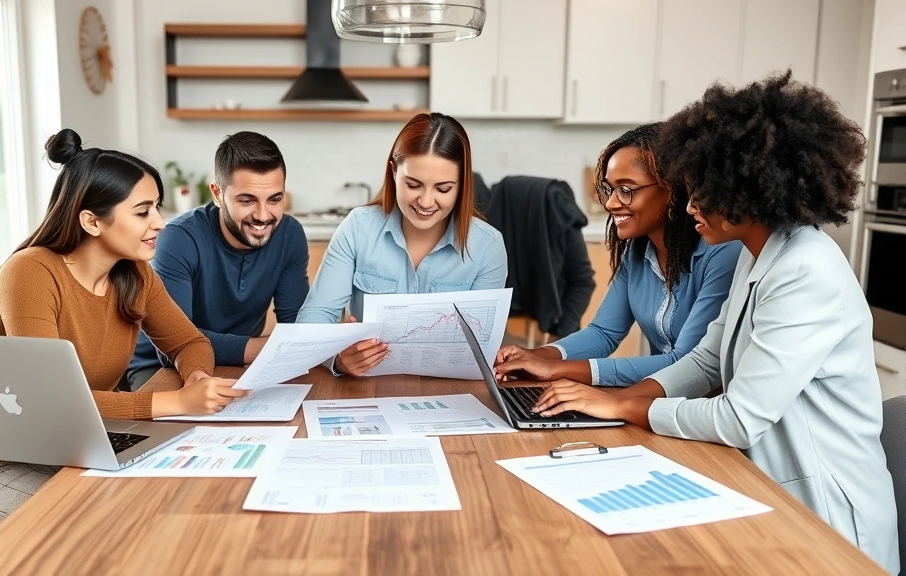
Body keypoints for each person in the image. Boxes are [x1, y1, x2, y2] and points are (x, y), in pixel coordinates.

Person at [528, 72, 899, 574]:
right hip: (770, 488)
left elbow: (739, 417)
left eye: (701, 190)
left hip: (828, 521)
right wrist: (619, 402)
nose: (688, 205)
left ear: (749, 190)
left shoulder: (804, 271)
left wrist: (619, 403)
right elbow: (705, 358)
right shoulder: (757, 251)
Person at [0, 129, 248, 541]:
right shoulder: (31, 272)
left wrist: (196, 374)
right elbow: (51, 399)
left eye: (157, 208)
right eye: (143, 211)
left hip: (85, 448)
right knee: (116, 534)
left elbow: (190, 342)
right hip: (4, 468)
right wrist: (177, 401)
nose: (160, 222)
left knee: (190, 508)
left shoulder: (134, 274)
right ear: (91, 221)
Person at [493, 123, 740, 387]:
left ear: (672, 190)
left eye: (626, 189)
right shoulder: (636, 250)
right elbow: (603, 333)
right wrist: (536, 356)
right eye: (611, 189)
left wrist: (555, 369)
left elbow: (685, 362)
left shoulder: (722, 252)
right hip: (658, 400)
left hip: (705, 409)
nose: (610, 203)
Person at [296, 112, 508, 376]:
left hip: (448, 394)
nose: (426, 202)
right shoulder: (358, 227)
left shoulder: (487, 246)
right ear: (394, 171)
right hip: (364, 389)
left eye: (443, 189)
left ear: (462, 185)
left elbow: (481, 346)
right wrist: (337, 359)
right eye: (413, 184)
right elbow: (313, 319)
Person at [126, 131, 310, 390]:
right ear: (217, 194)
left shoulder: (290, 235)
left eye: (274, 199)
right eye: (246, 200)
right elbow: (173, 346)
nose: (262, 215)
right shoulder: (178, 238)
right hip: (159, 367)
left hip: (241, 363)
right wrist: (262, 347)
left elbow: (296, 326)